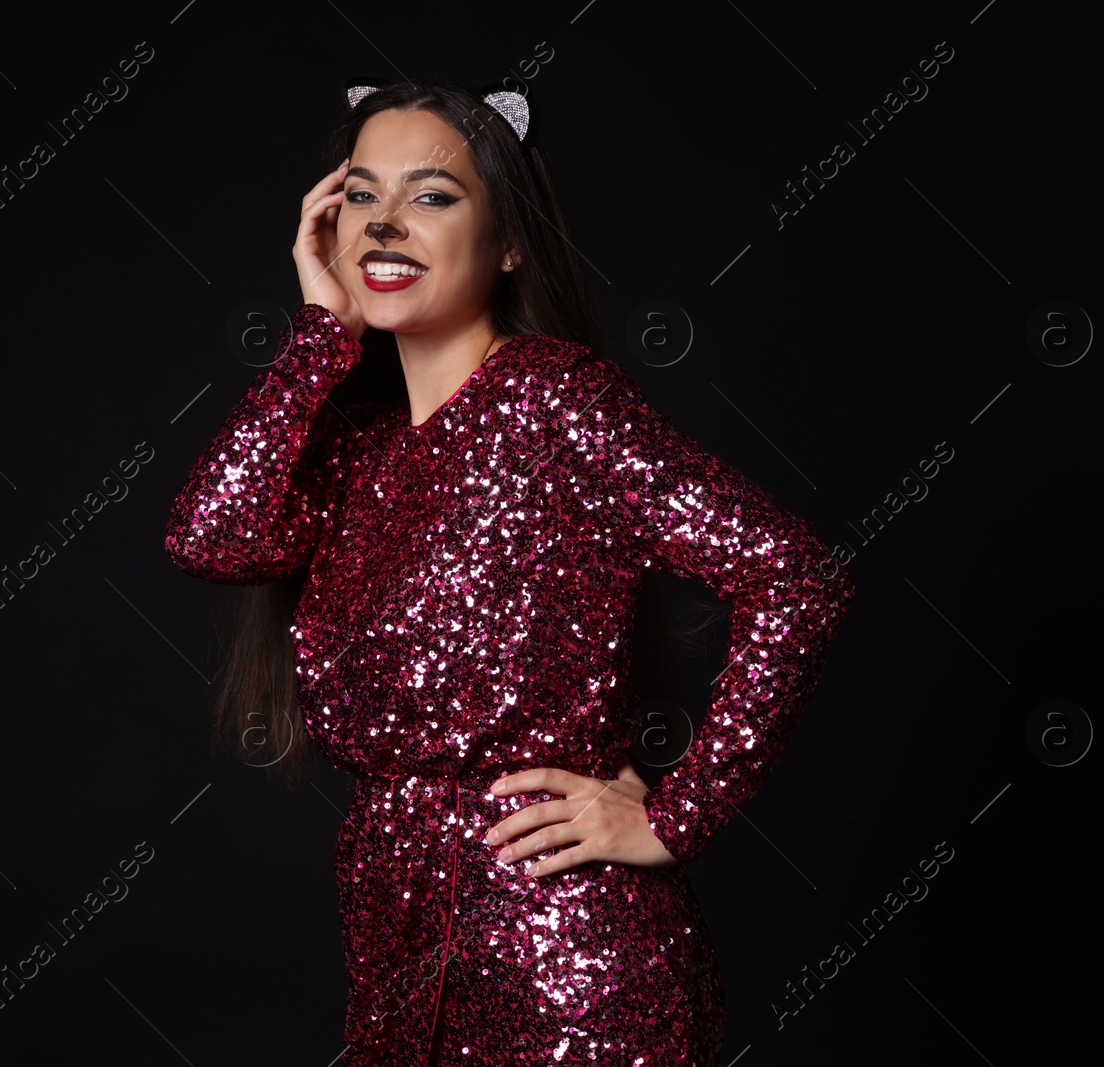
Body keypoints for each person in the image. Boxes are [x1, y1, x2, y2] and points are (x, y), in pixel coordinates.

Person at [164, 79, 855, 1067]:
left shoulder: (553, 399)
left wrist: (678, 812)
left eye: (432, 196)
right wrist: (322, 334)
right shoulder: (357, 451)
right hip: (400, 953)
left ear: (510, 242)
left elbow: (793, 575)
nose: (386, 224)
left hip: (571, 968)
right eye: (360, 195)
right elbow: (210, 538)